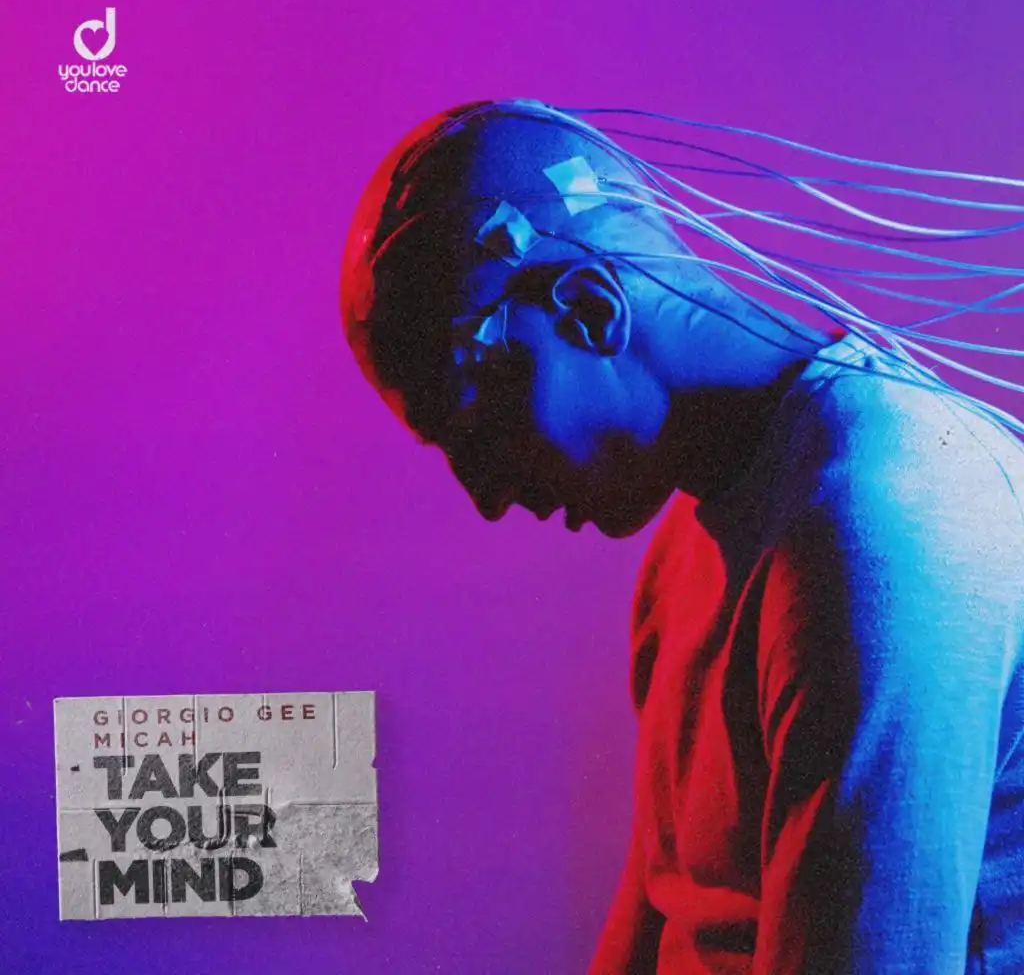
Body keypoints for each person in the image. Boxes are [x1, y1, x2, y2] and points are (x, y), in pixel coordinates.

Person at [339, 99, 1024, 973]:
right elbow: (659, 914)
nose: (484, 498)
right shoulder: (689, 550)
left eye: (479, 430)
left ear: (591, 312)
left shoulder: (887, 525)